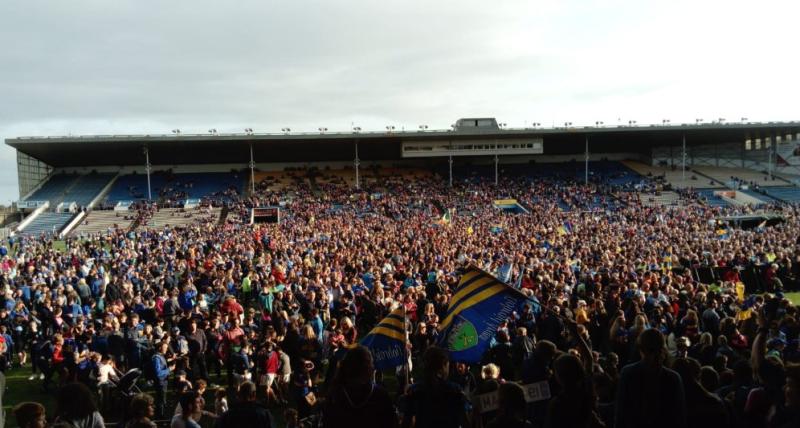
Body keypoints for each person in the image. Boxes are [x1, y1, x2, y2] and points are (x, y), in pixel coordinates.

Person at [615, 328, 686, 428]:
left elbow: (621, 414)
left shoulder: (627, 373)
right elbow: (679, 418)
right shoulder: (674, 378)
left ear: (641, 349)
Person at [322, 345, 396, 428]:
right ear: (367, 368)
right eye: (371, 363)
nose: (373, 367)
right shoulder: (380, 396)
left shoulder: (335, 394)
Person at [402, 346, 469, 428]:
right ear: (443, 366)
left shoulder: (414, 391)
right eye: (448, 365)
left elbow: (406, 422)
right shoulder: (455, 390)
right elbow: (464, 421)